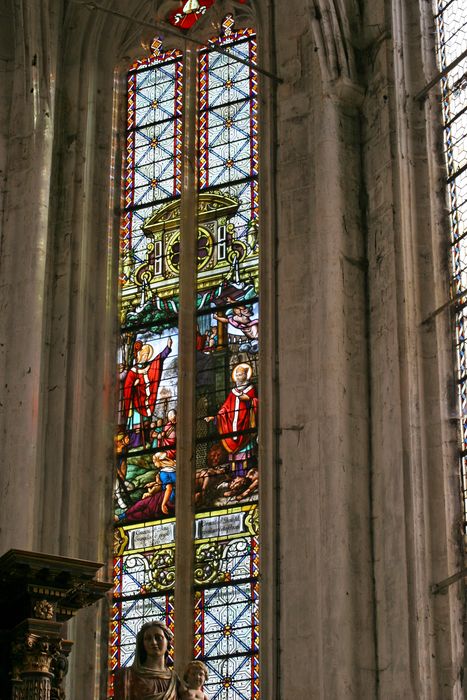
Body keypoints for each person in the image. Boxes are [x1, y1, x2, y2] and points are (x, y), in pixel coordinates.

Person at [204, 363, 258, 477]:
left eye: (241, 374)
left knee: (246, 453)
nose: (238, 377)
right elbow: (225, 408)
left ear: (246, 375)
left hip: (245, 425)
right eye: (237, 375)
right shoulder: (233, 392)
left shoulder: (250, 388)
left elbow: (255, 402)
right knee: (234, 457)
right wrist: (215, 417)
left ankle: (247, 477)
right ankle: (234, 478)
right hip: (232, 427)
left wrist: (248, 399)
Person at [122, 338, 172, 447]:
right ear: (139, 355)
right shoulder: (133, 371)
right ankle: (135, 443)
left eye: (147, 355)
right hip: (135, 403)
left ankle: (145, 440)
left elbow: (159, 360)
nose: (145, 357)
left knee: (145, 423)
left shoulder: (149, 366)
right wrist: (133, 385)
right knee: (136, 423)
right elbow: (127, 388)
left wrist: (167, 348)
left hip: (146, 401)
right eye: (144, 355)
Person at [114, 620, 181, 700]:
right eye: (148, 639)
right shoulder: (126, 675)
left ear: (168, 642)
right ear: (143, 644)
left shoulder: (175, 680)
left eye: (158, 638)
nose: (153, 642)